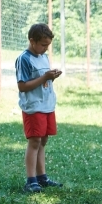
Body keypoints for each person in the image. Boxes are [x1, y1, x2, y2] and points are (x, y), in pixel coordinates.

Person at [15, 23, 62, 193]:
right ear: (32, 41)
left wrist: (51, 77)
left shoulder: (43, 57)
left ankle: (42, 177)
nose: (45, 49)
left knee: (43, 141)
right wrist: (44, 78)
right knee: (34, 141)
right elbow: (23, 86)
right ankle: (31, 180)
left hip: (47, 105)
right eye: (43, 45)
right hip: (34, 107)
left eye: (47, 45)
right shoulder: (24, 59)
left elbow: (43, 80)